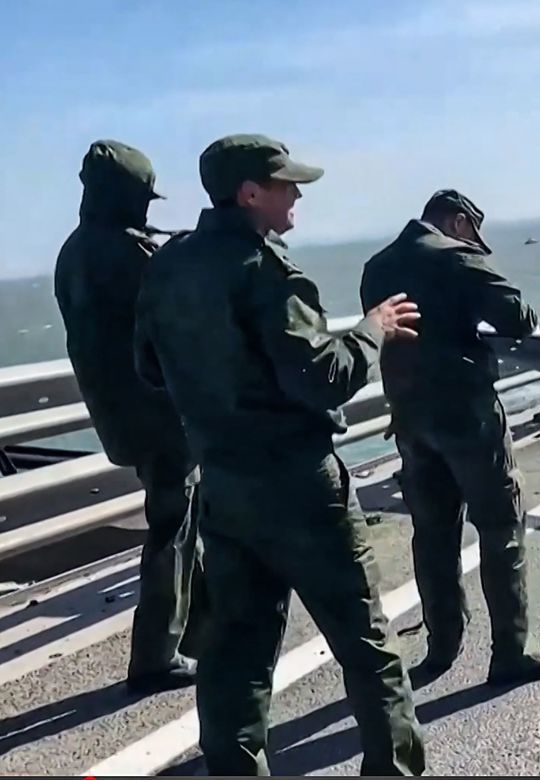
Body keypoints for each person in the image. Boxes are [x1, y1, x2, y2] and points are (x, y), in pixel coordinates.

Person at [133, 134, 426, 776]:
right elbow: (323, 377)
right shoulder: (266, 272)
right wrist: (372, 329)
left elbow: (148, 367)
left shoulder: (168, 265)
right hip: (299, 486)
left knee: (234, 655)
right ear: (249, 194)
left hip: (223, 485)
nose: (296, 195)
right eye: (286, 185)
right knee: (365, 642)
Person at [359, 189, 540, 685]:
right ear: (458, 222)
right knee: (500, 526)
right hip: (466, 415)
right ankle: (512, 650)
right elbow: (517, 316)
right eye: (473, 234)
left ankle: (442, 644)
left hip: (410, 418)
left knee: (433, 533)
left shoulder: (376, 267)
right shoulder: (456, 257)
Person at [53, 140, 206, 695]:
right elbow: (180, 313)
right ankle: (156, 657)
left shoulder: (74, 252)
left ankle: (202, 629)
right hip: (158, 414)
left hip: (119, 414)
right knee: (172, 528)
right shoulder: (125, 254)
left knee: (183, 522)